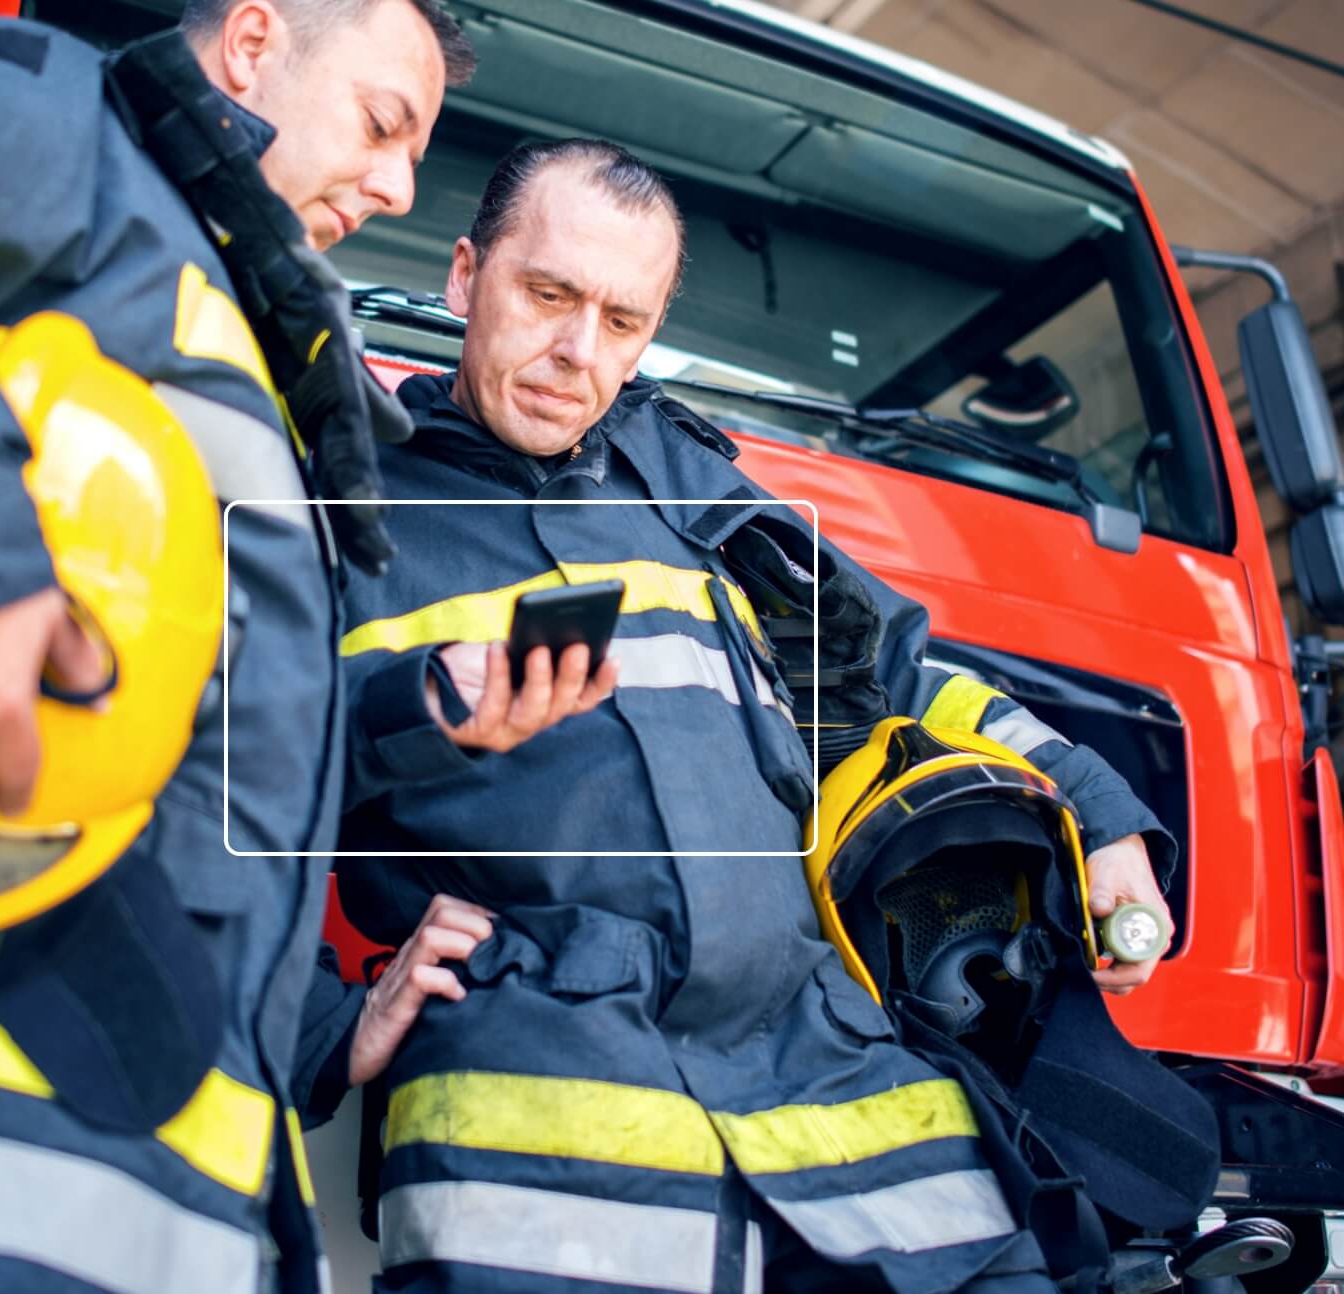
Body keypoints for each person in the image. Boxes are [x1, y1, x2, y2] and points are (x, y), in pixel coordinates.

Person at [334, 139, 1179, 1292]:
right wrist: (333, 1024)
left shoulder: (698, 491)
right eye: (545, 295)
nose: (577, 354)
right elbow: (213, 786)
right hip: (541, 1137)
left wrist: (1096, 814)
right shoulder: (341, 508)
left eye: (623, 322)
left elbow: (894, 679)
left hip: (838, 1085)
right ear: (463, 277)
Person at [0, 3, 525, 1291]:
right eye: (380, 124)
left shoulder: (258, 338)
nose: (399, 184)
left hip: (173, 1179)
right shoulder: (54, 117)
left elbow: (205, 779)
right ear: (251, 43)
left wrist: (315, 1034)